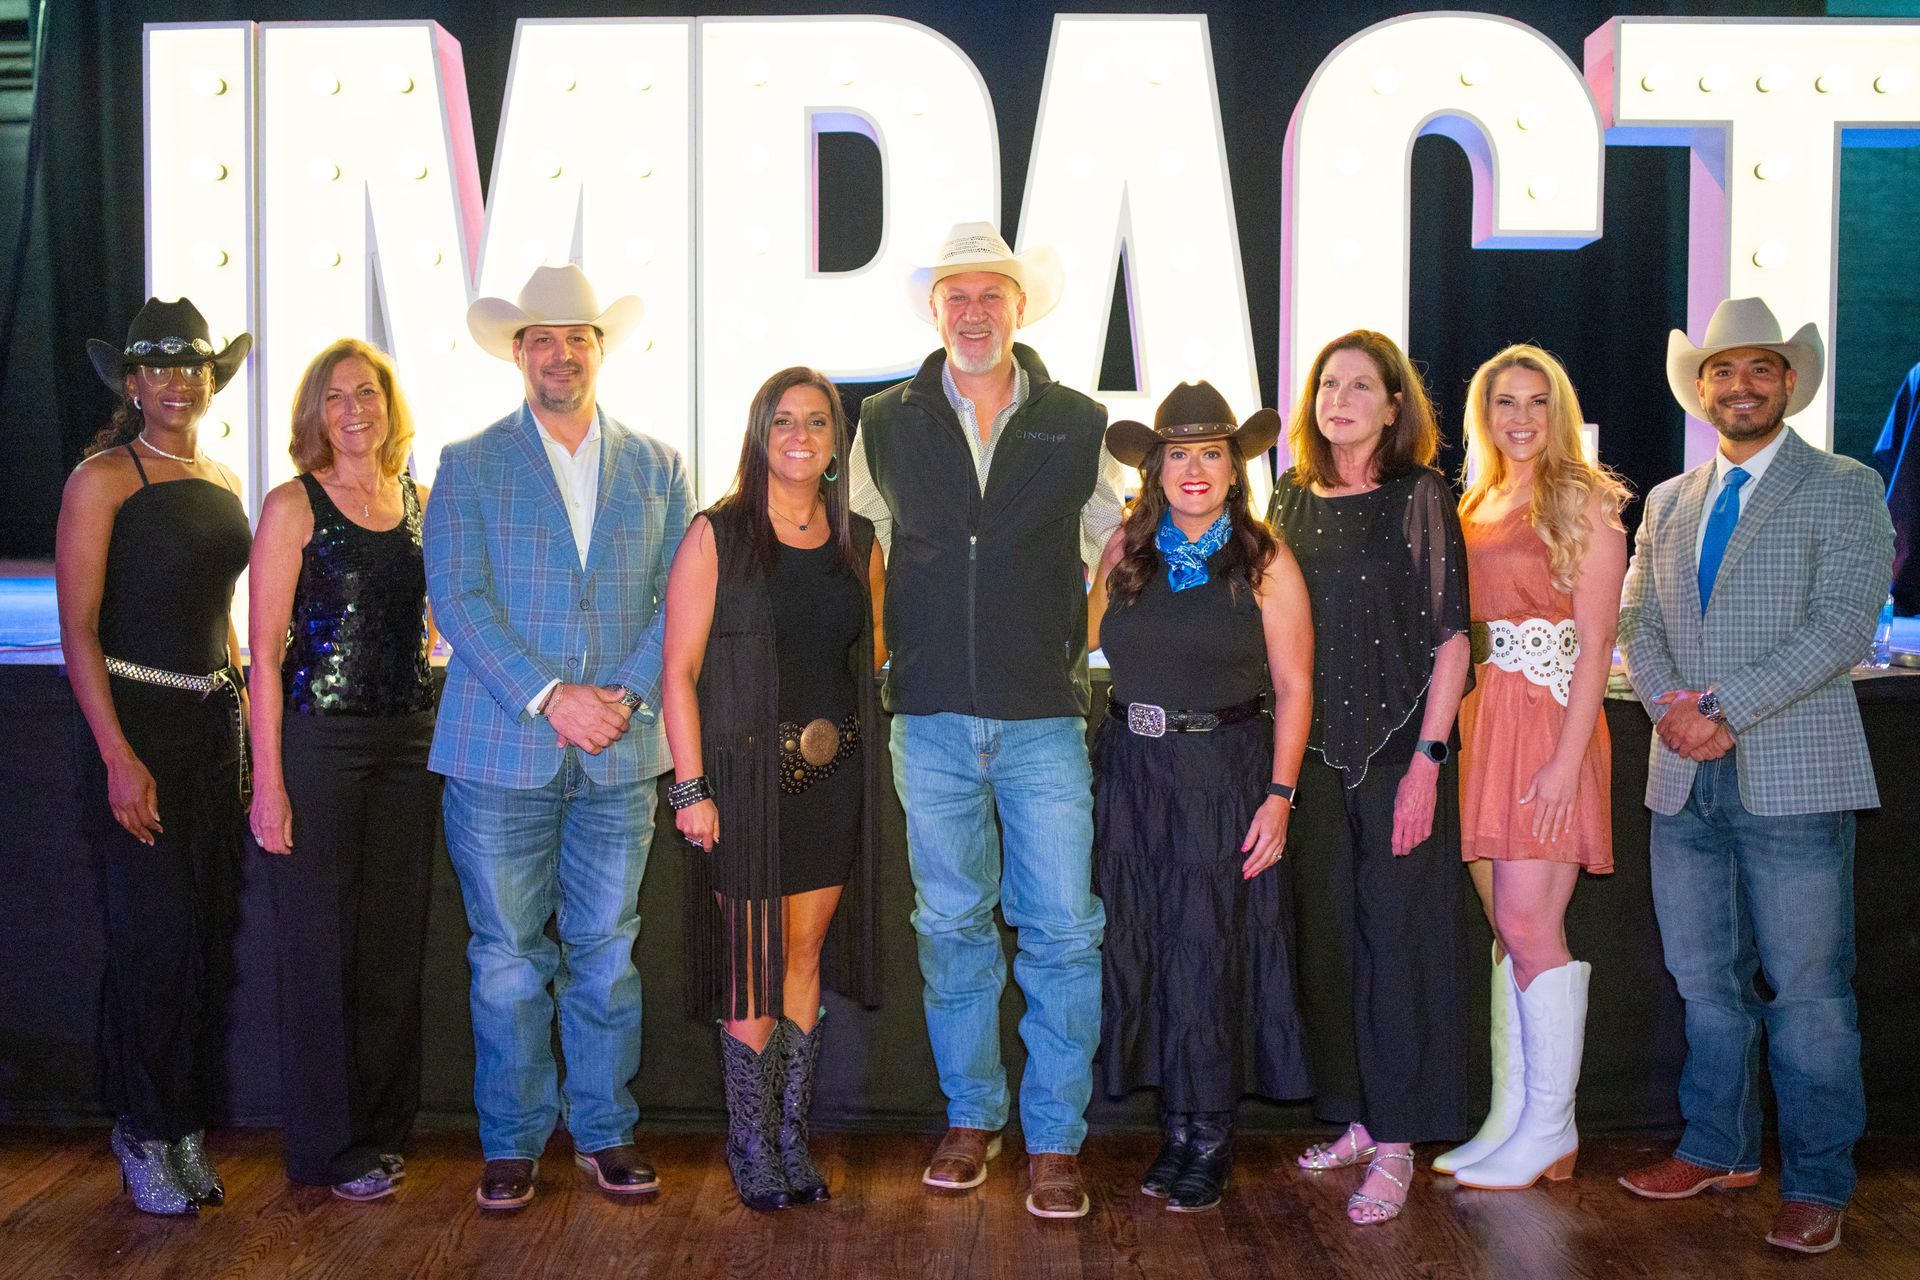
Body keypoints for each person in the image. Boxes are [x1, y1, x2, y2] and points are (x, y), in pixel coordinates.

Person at [846, 221, 1122, 1218]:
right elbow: (864, 548)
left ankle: (1053, 1139)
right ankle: (973, 1116)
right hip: (928, 721)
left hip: (1044, 719)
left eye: (990, 295)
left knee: (1060, 932)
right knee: (952, 924)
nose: (973, 311)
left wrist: (1069, 645)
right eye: (956, 295)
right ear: (936, 309)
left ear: (1018, 307)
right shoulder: (882, 420)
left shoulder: (1079, 423)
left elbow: (1118, 548)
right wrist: (891, 654)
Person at [1617, 297, 1894, 1256]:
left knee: (1811, 991)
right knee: (1704, 982)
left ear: (1789, 382)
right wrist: (1673, 711)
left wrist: (1718, 709)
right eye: (1722, 371)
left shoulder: (1846, 485)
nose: (1740, 385)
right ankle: (1718, 1147)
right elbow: (1636, 625)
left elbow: (1844, 627)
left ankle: (1819, 1182)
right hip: (1682, 779)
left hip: (1796, 776)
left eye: (1760, 369)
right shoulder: (1666, 500)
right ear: (1702, 388)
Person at [425, 264, 693, 1210]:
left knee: (607, 952)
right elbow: (456, 598)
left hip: (621, 750)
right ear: (517, 352)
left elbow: (680, 597)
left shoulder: (659, 465)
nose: (560, 352)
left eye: (576, 336)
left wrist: (614, 697)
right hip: (501, 751)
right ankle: (511, 1139)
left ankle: (606, 1130)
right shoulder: (466, 462)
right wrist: (550, 697)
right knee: (505, 957)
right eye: (542, 337)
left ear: (599, 349)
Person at [661, 366, 887, 1212]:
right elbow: (678, 672)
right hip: (744, 786)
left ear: (836, 441)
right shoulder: (717, 533)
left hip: (832, 785)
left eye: (818, 423)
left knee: (802, 959)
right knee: (753, 966)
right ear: (761, 434)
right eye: (784, 421)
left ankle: (792, 1137)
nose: (801, 436)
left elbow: (868, 659)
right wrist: (692, 790)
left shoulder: (859, 540)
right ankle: (750, 1144)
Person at [1088, 381, 1313, 1213]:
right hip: (1131, 774)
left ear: (1234, 468)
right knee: (1143, 942)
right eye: (1177, 453)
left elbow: (1294, 687)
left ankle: (1210, 1132)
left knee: (1208, 949)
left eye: (1210, 454)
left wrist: (1281, 795)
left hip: (1225, 775)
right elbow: (1074, 649)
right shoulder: (1124, 551)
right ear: (1154, 468)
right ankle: (1174, 1128)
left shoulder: (1264, 558)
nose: (1193, 468)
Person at [1268, 329, 1473, 1226]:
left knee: (1400, 945)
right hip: (1310, 763)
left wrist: (1429, 763)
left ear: (1395, 406)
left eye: (1361, 386)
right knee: (1331, 944)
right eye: (1327, 384)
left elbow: (1454, 637)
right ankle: (1356, 1115)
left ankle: (1398, 1140)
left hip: (1399, 755)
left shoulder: (1419, 496)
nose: (1339, 399)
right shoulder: (1285, 500)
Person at [56, 298, 253, 1214]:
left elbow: (216, 609)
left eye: (193, 365)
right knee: (155, 943)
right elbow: (79, 631)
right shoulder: (103, 478)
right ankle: (139, 1129)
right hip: (139, 727)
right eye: (158, 366)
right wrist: (118, 756)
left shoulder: (219, 473)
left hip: (216, 730)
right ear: (132, 383)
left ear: (211, 379)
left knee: (208, 940)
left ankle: (181, 1127)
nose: (177, 380)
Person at [245, 338, 439, 1202]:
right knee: (321, 948)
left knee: (393, 946)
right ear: (313, 414)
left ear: (390, 406)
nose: (354, 409)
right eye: (335, 397)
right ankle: (328, 1147)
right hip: (318, 745)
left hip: (409, 744)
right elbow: (261, 655)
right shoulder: (293, 505)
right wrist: (269, 782)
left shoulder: (421, 501)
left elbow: (440, 624)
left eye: (367, 392)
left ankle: (384, 1130)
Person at [1435, 345, 1630, 1190]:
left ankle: (1549, 1129)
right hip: (1485, 719)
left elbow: (1597, 644)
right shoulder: (1478, 498)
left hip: (1548, 723)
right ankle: (1514, 1118)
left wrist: (1564, 763)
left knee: (1528, 924)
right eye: (1504, 402)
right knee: (1505, 928)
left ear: (1560, 412)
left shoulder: (1584, 499)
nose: (1520, 417)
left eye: (1536, 402)